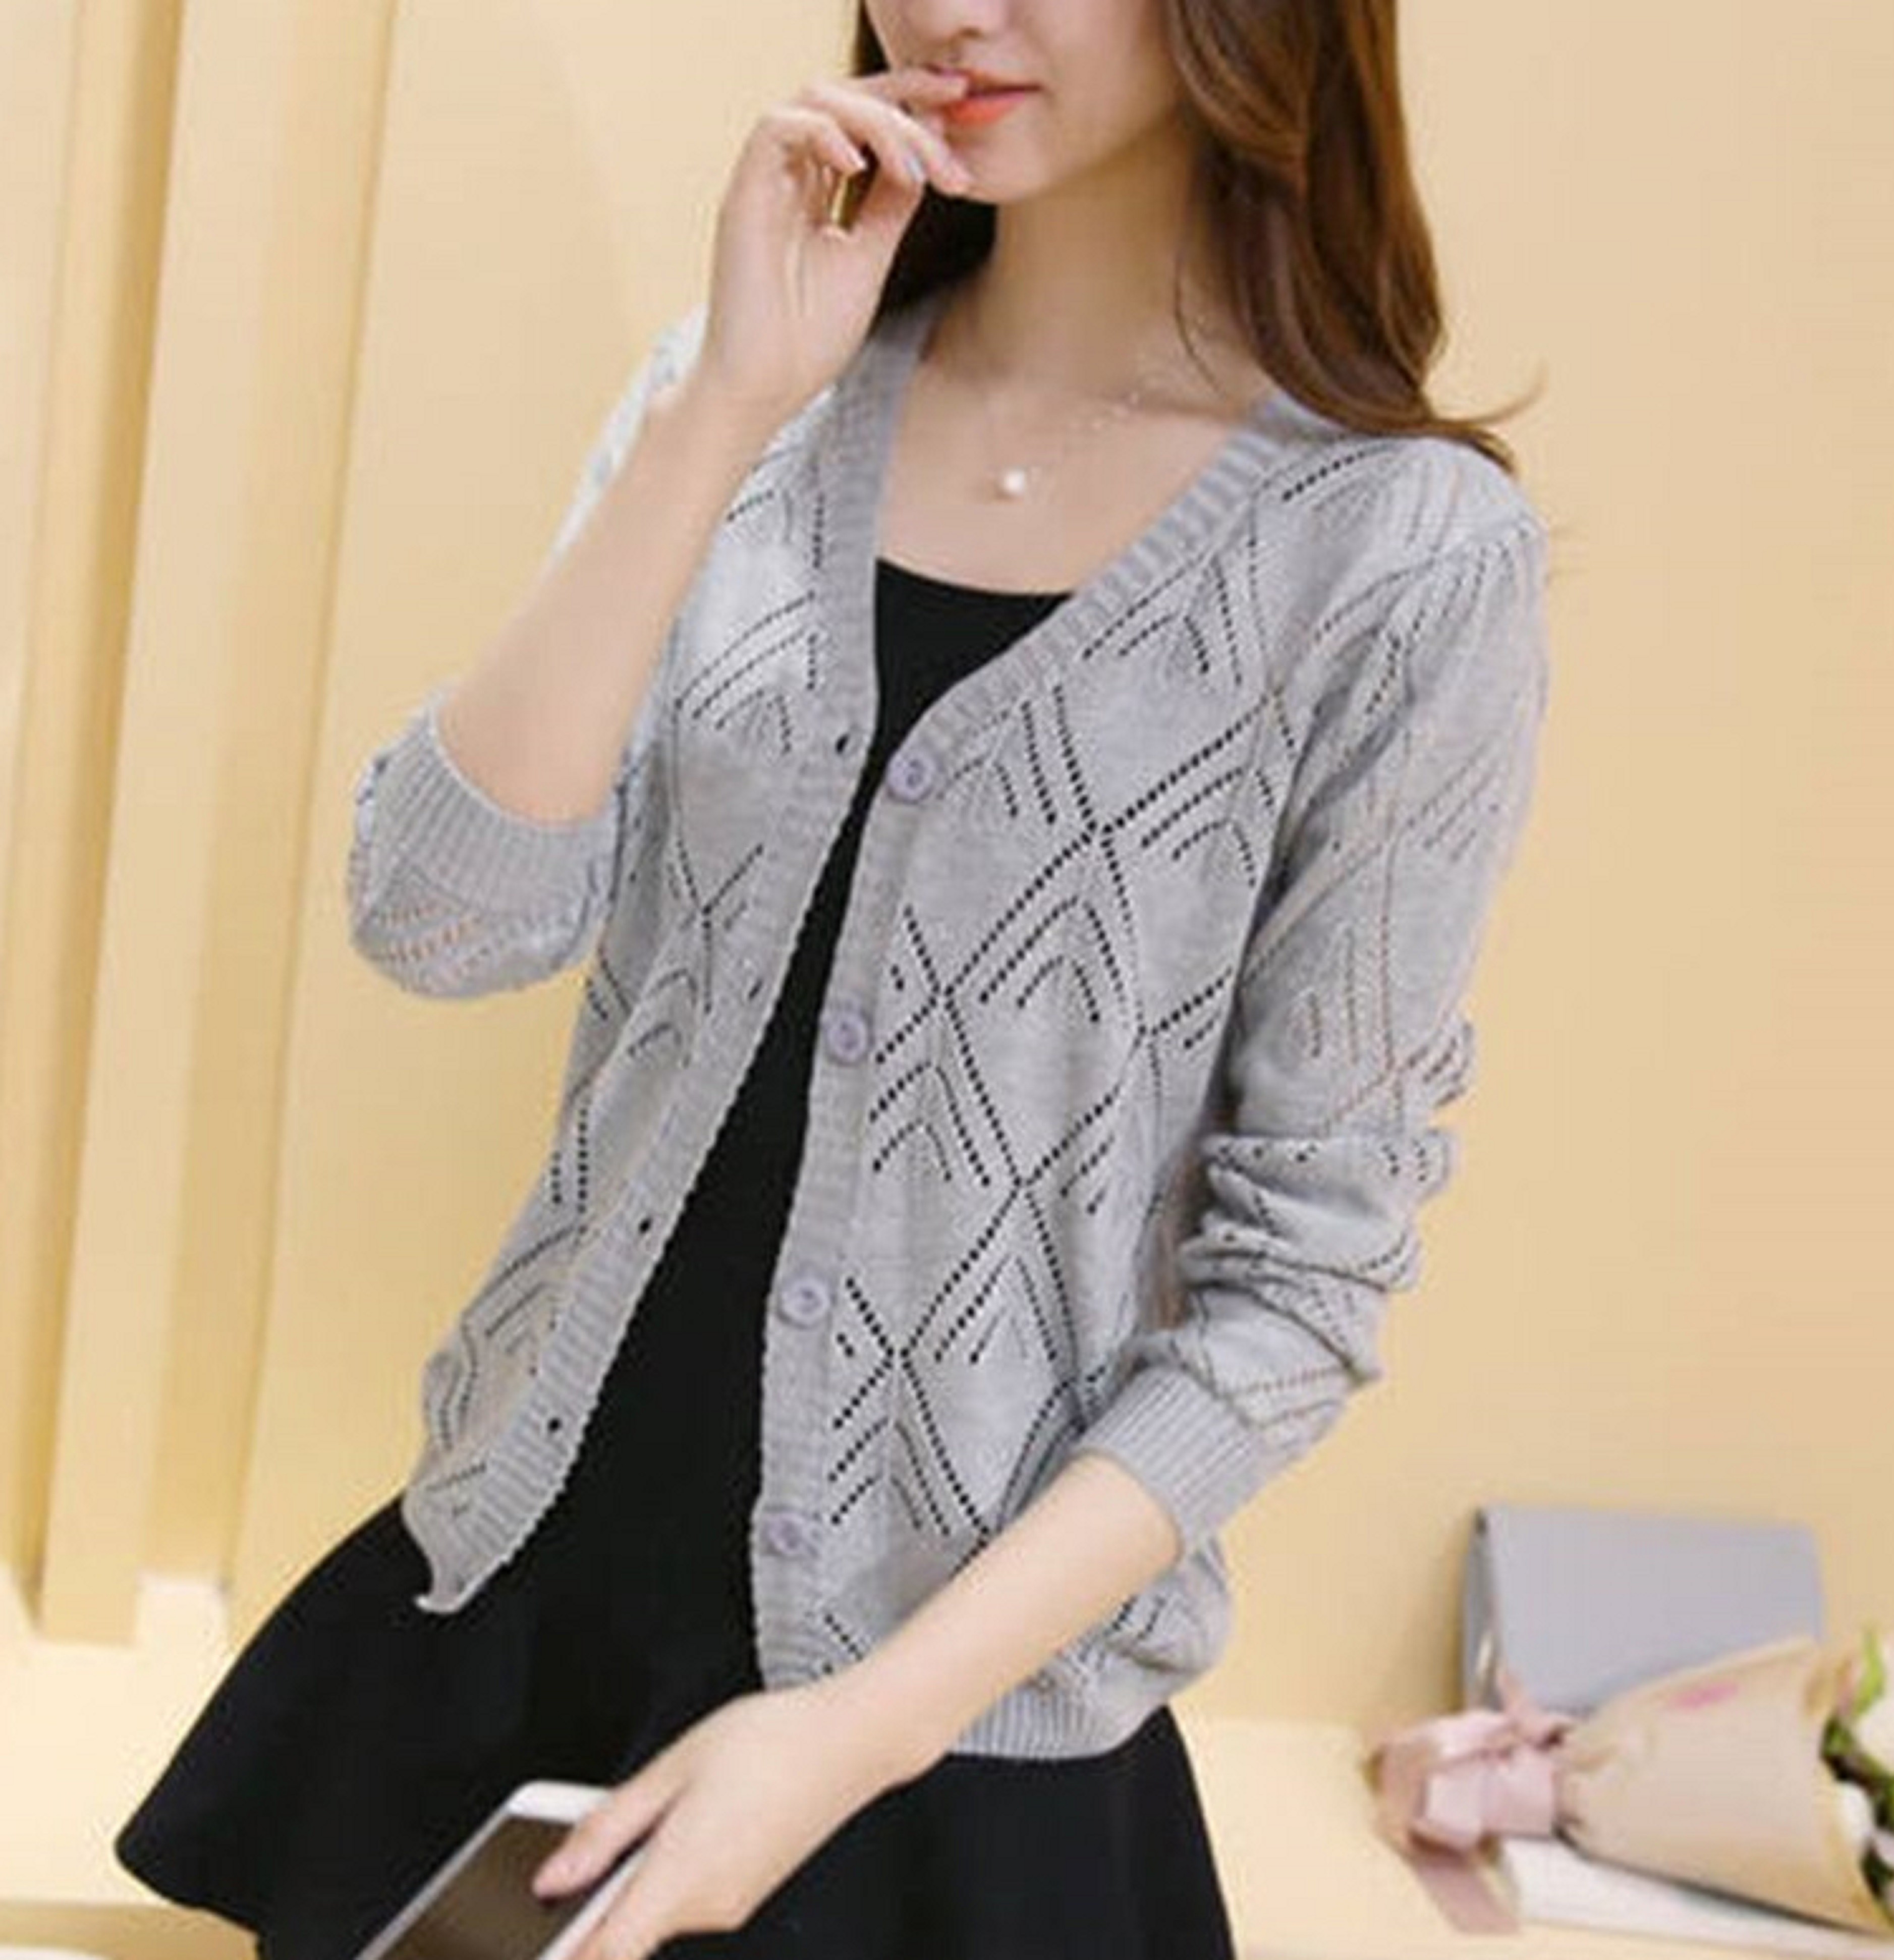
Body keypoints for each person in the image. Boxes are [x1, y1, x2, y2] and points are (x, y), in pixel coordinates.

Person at [114, 1, 1555, 1955]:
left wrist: (850, 1737)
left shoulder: (1398, 557)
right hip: (511, 1632)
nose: (954, 6)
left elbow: (1294, 1294)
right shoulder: (739, 402)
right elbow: (438, 921)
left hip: (943, 1768)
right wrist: (723, 405)